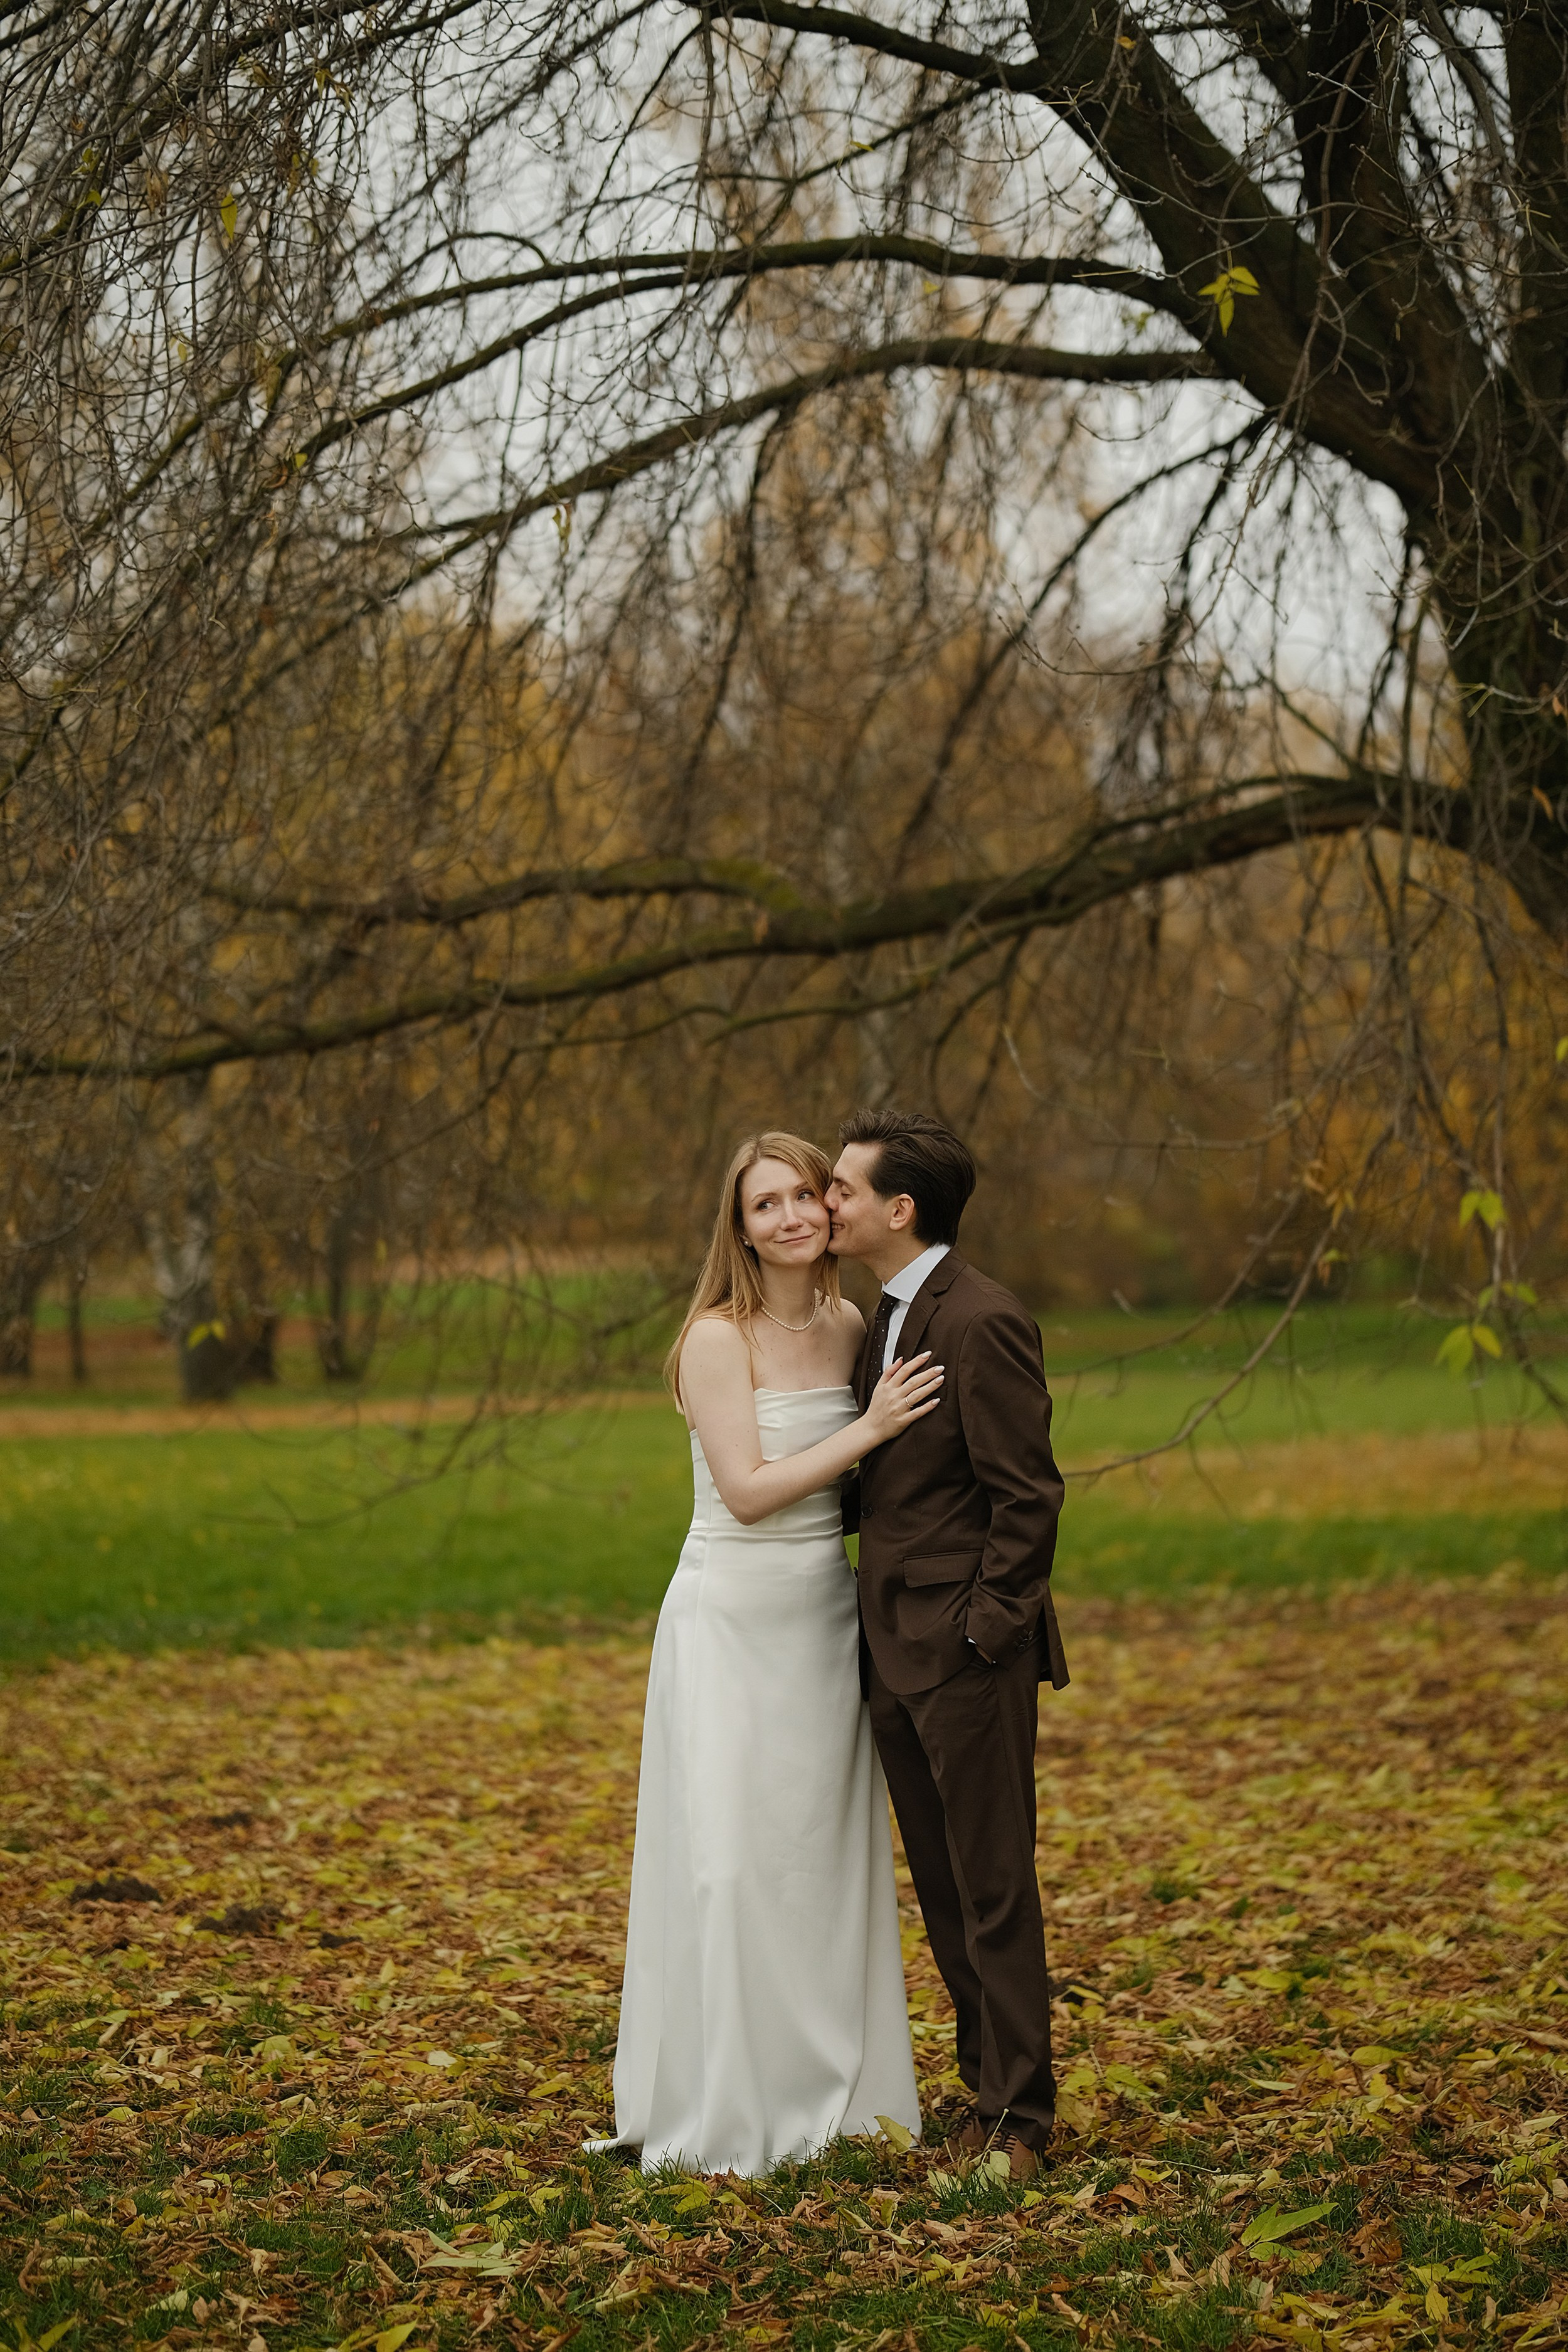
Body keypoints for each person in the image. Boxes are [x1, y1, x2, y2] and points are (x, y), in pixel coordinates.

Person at [592, 1130, 941, 2175]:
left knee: (819, 1865)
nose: (790, 1216)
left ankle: (841, 2095)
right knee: (734, 1866)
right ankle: (732, 2103)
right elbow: (745, 1492)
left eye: (803, 1195)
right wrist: (869, 1430)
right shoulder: (713, 1337)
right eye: (764, 1204)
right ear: (738, 1227)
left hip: (826, 1622)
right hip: (731, 1619)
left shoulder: (849, 1327)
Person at [827, 1108, 1067, 2183]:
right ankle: (986, 2090)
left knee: (993, 1883)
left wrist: (983, 1632)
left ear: (898, 1207)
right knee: (941, 1880)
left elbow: (1029, 1499)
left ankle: (1023, 2121)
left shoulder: (981, 1319)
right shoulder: (880, 1319)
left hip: (965, 1656)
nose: (827, 1202)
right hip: (890, 1654)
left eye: (840, 1187)